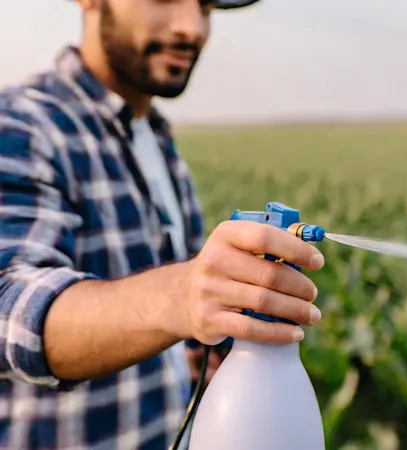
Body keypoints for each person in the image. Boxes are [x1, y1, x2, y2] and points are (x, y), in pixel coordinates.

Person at [0, 0, 325, 448]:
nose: (191, 28)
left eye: (206, 6)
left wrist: (194, 354)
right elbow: (7, 306)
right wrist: (183, 296)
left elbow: (164, 323)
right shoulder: (19, 124)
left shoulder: (155, 138)